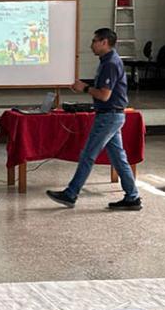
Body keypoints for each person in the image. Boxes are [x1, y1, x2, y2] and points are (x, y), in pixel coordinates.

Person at [45, 27, 142, 211]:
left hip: (109, 116)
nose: (91, 45)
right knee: (118, 158)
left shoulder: (110, 63)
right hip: (112, 115)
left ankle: (71, 193)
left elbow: (104, 95)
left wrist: (84, 88)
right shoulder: (107, 61)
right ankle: (132, 197)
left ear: (104, 42)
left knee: (88, 155)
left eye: (94, 41)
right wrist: (86, 87)